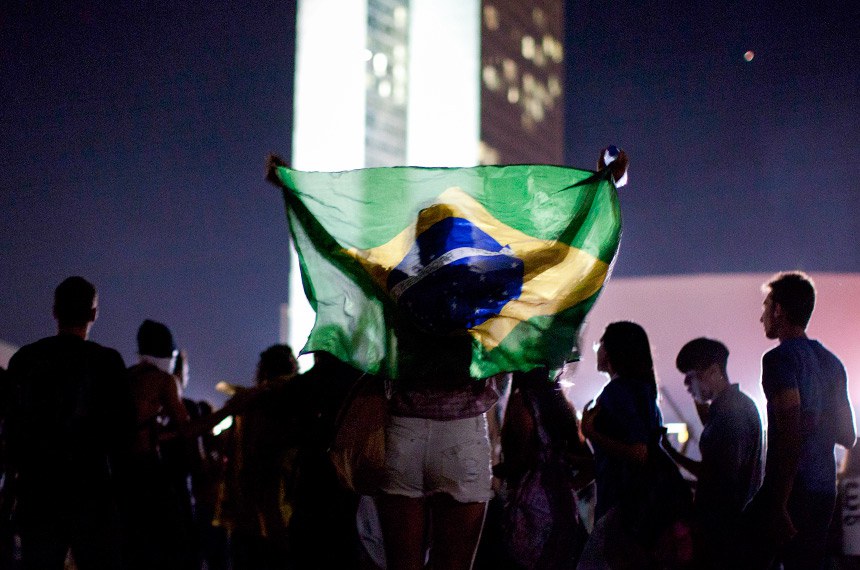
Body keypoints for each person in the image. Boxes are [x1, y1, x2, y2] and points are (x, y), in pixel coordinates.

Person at [5, 276, 135, 569]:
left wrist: (11, 489)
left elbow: (12, 431)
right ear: (93, 314)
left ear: (55, 311)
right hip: (92, 494)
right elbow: (124, 436)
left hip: (38, 492)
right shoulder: (108, 362)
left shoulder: (26, 359)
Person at [743, 271, 855, 569]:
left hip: (790, 490)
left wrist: (779, 502)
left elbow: (789, 431)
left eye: (766, 307)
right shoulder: (832, 363)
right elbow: (848, 436)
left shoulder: (778, 359)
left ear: (779, 310)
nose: (762, 317)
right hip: (824, 491)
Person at [579, 321, 692, 569]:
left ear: (612, 351)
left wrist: (590, 432)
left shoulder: (616, 392)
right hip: (641, 507)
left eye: (601, 343)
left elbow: (639, 452)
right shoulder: (645, 391)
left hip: (621, 505)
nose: (597, 349)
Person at [661, 338, 762, 568]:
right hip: (734, 529)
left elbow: (718, 475)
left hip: (723, 532)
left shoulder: (729, 413)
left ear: (714, 372)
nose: (686, 384)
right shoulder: (737, 406)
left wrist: (671, 454)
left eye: (691, 377)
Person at [215, 344, 299, 570]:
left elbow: (230, 449)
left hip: (248, 508)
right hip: (285, 506)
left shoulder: (248, 402)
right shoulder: (297, 399)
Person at [498, 367, 593, 569]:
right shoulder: (561, 403)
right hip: (565, 508)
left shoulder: (522, 401)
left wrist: (496, 471)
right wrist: (568, 485)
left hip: (530, 507)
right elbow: (589, 466)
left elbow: (523, 457)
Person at [123, 319, 192, 570]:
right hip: (150, 473)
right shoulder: (165, 380)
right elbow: (187, 429)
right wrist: (232, 409)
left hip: (121, 473)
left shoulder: (125, 376)